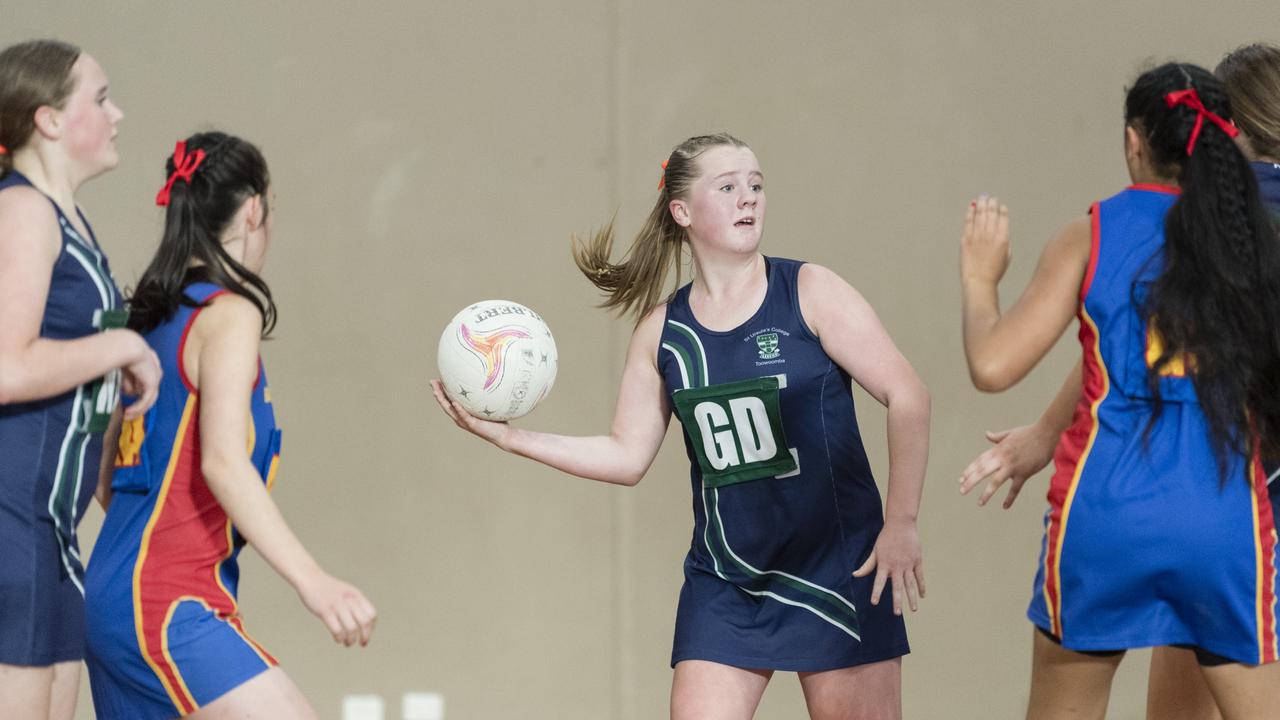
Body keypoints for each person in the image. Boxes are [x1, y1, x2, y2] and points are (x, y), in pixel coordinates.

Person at [432, 133, 931, 719]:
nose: (749, 198)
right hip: (726, 581)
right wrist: (511, 437)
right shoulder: (663, 332)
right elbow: (626, 455)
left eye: (756, 184)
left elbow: (909, 396)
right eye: (728, 187)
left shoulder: (810, 292)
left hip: (837, 569)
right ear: (682, 211)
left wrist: (900, 523)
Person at [959, 45, 1280, 720]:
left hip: (1105, 509)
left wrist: (980, 279)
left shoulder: (1093, 233)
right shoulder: (1250, 239)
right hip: (1222, 514)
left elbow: (993, 365)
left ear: (1134, 142)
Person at [83, 132, 377, 719]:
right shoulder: (228, 312)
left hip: (115, 593)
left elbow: (104, 478)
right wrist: (314, 582)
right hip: (166, 601)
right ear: (253, 209)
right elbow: (222, 461)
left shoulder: (146, 314)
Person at [0, 39, 162, 720]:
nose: (117, 113)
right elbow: (8, 368)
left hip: (52, 532)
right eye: (100, 98)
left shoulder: (69, 221)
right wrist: (121, 343)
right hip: (13, 527)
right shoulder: (24, 210)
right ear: (49, 120)